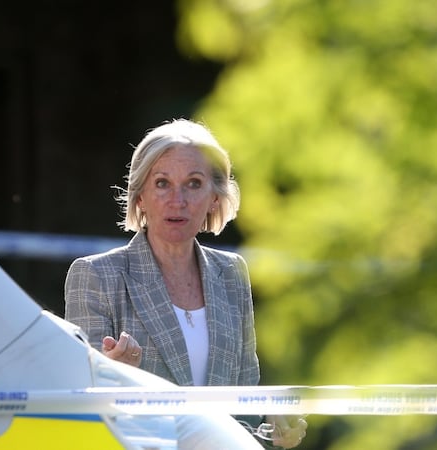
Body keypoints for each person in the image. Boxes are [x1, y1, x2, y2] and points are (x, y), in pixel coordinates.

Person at [64, 118, 307, 449]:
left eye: (194, 183)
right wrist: (112, 377)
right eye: (162, 183)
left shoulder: (233, 273)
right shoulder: (95, 275)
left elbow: (242, 412)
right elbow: (77, 403)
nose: (177, 200)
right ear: (140, 197)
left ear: (214, 198)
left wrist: (273, 429)